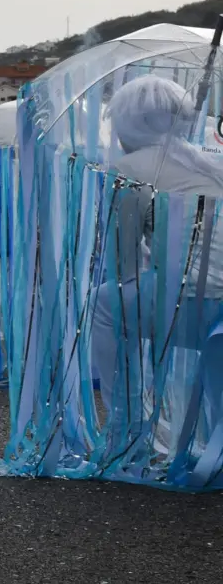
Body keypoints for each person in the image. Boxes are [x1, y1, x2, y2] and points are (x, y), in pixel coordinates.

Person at [91, 76, 223, 445]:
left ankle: (126, 427)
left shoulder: (130, 170)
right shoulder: (209, 162)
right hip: (217, 312)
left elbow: (124, 261)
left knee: (103, 304)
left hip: (189, 308)